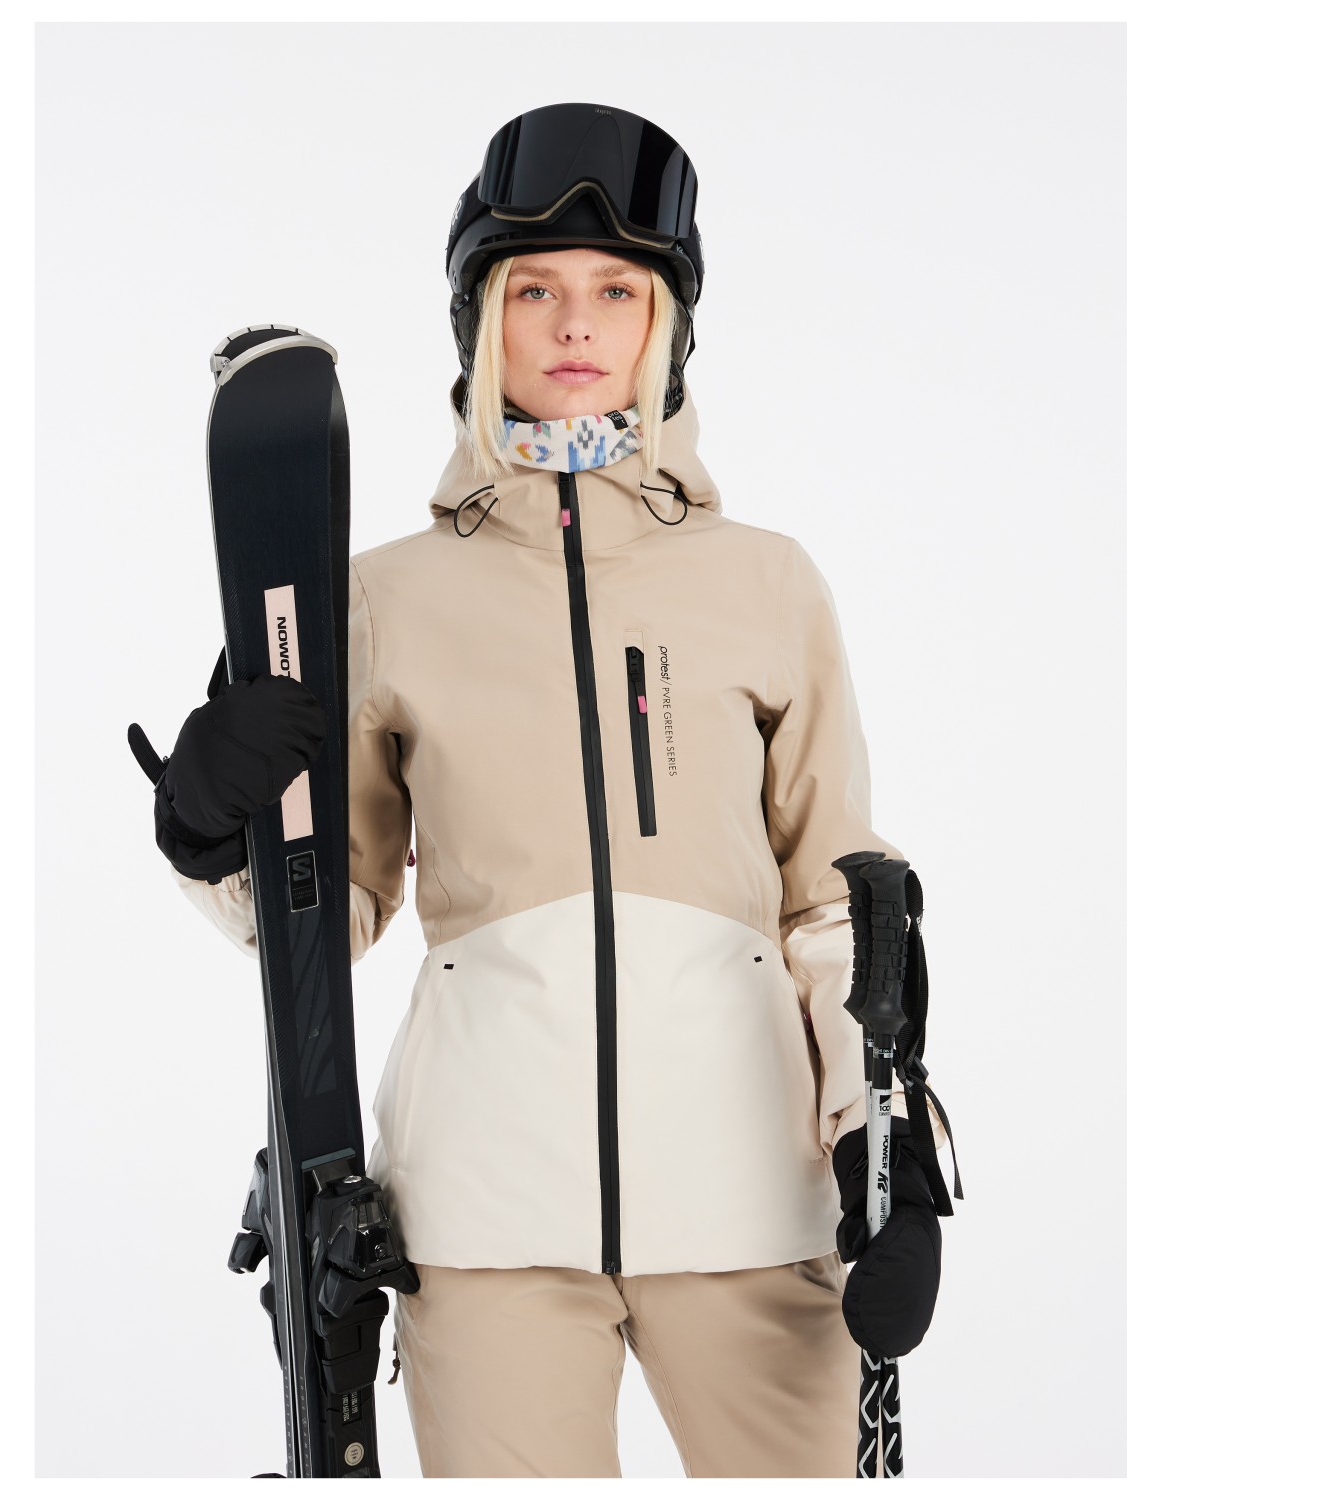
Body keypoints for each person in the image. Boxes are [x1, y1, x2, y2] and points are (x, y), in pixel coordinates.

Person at [147, 102, 951, 1478]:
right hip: (484, 1221)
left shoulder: (765, 583)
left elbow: (833, 906)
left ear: (666, 327)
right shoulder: (385, 598)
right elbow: (329, 913)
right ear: (480, 321)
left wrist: (891, 1152)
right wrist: (210, 836)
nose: (576, 326)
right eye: (534, 290)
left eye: (617, 292)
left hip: (752, 1201)